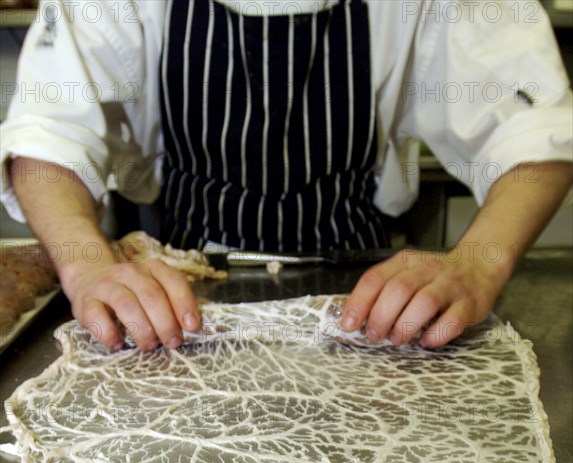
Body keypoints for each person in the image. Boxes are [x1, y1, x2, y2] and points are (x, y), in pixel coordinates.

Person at [1, 0, 571, 351]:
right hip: (175, 293)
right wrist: (84, 266)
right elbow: (48, 134)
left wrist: (477, 264)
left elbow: (535, 131)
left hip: (363, 302)